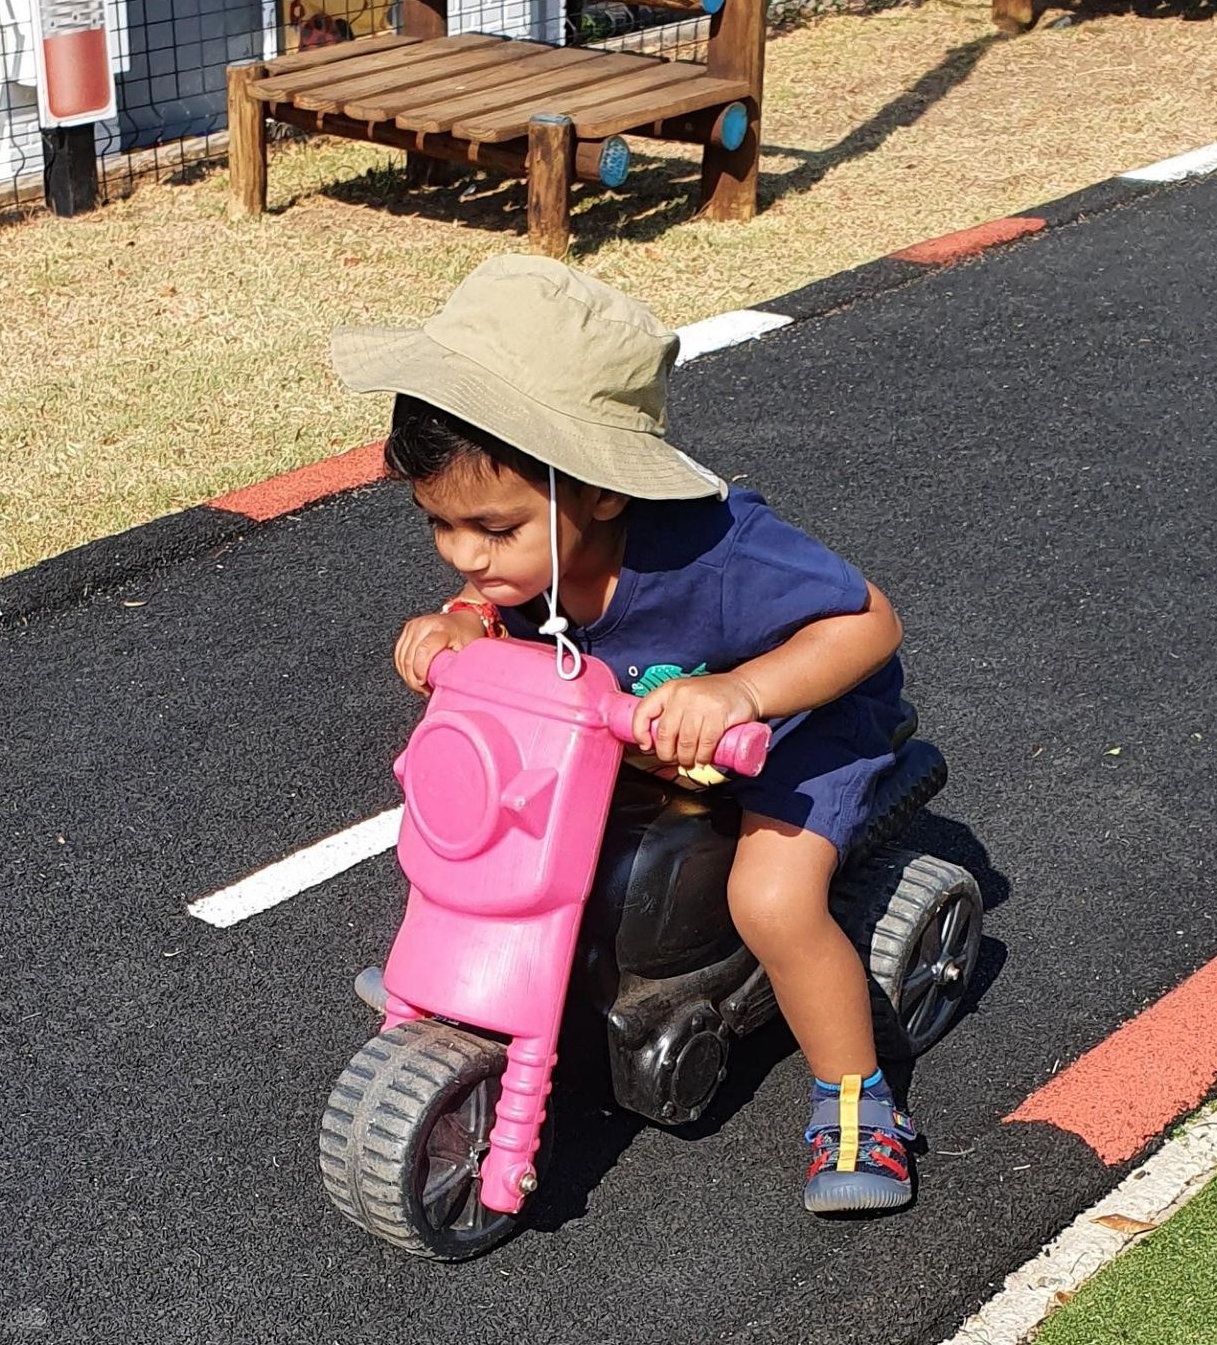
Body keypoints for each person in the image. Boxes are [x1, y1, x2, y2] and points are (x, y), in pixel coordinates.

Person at [332, 249, 917, 1213]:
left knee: (772, 900)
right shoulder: (534, 554)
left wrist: (742, 692)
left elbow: (868, 622)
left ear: (601, 490)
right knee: (503, 824)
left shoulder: (722, 556)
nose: (466, 554)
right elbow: (505, 607)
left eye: (493, 530)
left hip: (802, 727)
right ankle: (488, 983)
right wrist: (467, 620)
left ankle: (856, 1100)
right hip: (644, 734)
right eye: (439, 525)